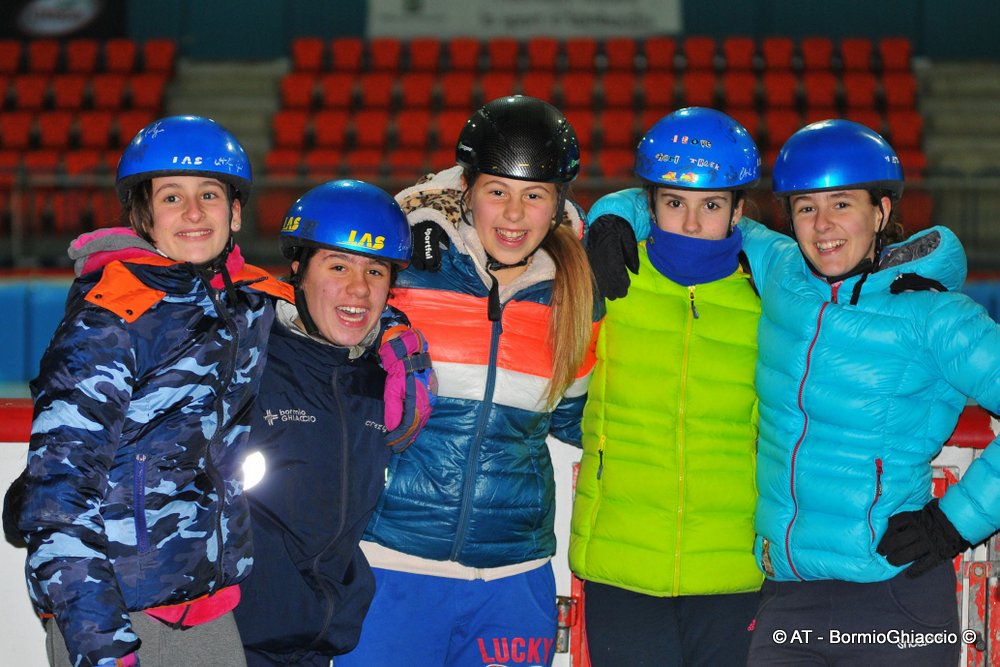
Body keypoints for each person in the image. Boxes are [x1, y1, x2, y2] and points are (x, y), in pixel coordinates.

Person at [589, 118, 1000, 665]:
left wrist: (955, 523)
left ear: (880, 212)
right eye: (806, 208)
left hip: (893, 594)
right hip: (789, 596)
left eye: (842, 205)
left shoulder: (935, 315)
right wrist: (613, 216)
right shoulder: (783, 272)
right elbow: (695, 203)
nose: (823, 225)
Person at [5, 115, 294, 667]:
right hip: (116, 612)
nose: (193, 213)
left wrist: (391, 336)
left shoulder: (249, 303)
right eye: (172, 197)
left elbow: (341, 304)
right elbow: (56, 498)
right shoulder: (109, 321)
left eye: (209, 194)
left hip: (207, 605)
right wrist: (103, 646)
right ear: (144, 215)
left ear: (235, 212)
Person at [337, 95, 603, 667]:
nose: (514, 215)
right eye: (496, 191)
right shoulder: (406, 268)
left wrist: (623, 222)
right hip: (391, 563)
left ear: (558, 203)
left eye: (534, 195)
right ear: (466, 189)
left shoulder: (578, 300)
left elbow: (580, 423)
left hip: (513, 581)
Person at [569, 107, 763, 666]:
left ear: (738, 211)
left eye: (712, 205)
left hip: (734, 571)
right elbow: (524, 217)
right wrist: (610, 212)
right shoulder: (609, 275)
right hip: (621, 565)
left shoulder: (769, 297)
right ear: (649, 203)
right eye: (675, 203)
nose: (692, 223)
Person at [232, 179, 436, 666]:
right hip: (230, 641)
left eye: (375, 271)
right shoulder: (243, 356)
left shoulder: (383, 377)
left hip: (319, 643)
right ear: (298, 270)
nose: (359, 289)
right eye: (338, 265)